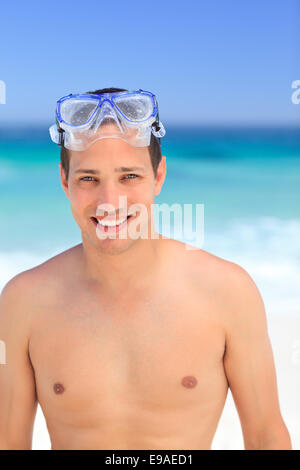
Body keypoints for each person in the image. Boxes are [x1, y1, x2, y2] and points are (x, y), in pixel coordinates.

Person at [0, 87, 291, 450]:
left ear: (159, 176)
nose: (109, 202)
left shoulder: (228, 292)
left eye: (129, 177)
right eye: (88, 178)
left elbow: (266, 436)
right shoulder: (24, 301)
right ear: (64, 181)